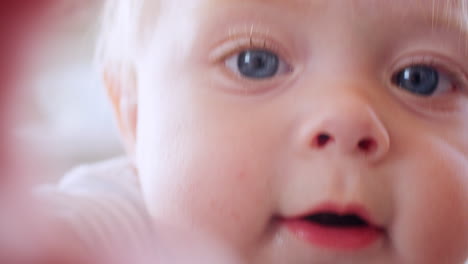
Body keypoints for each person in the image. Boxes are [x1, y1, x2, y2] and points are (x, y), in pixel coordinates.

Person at [39, 0, 468, 263]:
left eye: (421, 78)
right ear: (133, 117)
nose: (347, 117)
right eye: (254, 63)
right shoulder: (117, 231)